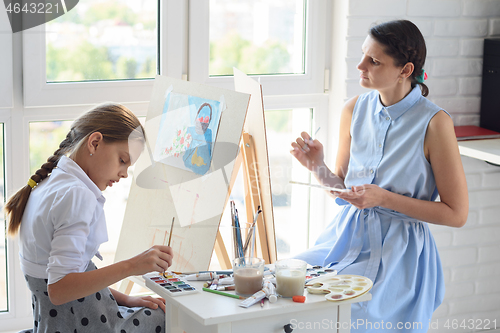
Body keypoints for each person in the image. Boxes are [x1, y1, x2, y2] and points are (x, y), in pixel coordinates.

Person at [291, 20, 468, 332]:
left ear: (405, 69)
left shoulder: (435, 123)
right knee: (289, 284)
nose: (360, 66)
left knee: (357, 318)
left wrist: (383, 198)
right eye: (363, 55)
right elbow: (344, 194)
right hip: (344, 240)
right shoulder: (353, 109)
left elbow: (457, 214)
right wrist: (316, 165)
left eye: (373, 61)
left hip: (399, 256)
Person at [6, 103, 173, 333]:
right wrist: (132, 265)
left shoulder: (48, 184)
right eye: (122, 160)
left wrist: (126, 299)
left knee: (155, 309)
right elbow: (60, 289)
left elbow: (76, 276)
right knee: (173, 319)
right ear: (94, 143)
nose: (124, 174)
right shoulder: (76, 196)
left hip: (63, 321)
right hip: (89, 324)